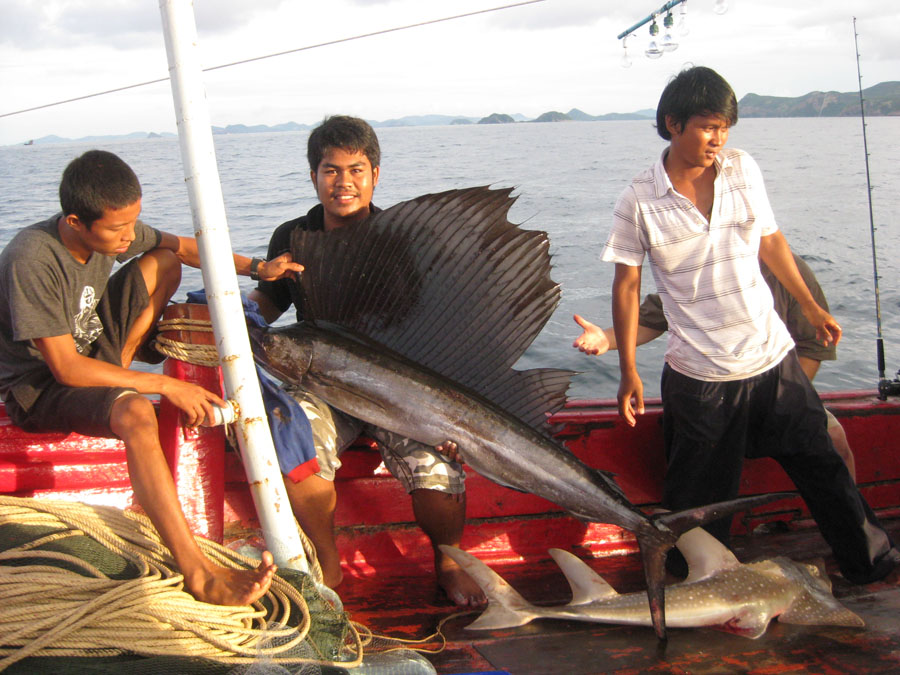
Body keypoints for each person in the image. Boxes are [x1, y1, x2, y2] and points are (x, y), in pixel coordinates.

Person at [589, 65, 899, 584]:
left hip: (773, 358)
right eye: (707, 126)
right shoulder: (638, 200)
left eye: (725, 127)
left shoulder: (742, 168)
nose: (718, 138)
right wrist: (628, 370)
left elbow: (771, 241)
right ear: (672, 123)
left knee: (823, 465)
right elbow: (626, 287)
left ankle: (871, 564)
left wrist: (811, 307)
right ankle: (699, 586)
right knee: (700, 501)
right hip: (700, 377)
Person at [0, 149, 303, 606]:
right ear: (75, 222)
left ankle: (118, 376)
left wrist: (259, 269)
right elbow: (64, 367)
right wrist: (165, 384)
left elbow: (181, 246)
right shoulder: (32, 257)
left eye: (132, 224)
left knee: (163, 259)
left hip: (93, 349)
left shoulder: (113, 231)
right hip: (39, 386)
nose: (127, 238)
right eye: (117, 229)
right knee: (138, 412)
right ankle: (197, 571)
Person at [248, 115, 485, 607]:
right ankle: (329, 565)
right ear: (313, 176)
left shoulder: (401, 240)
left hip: (397, 386)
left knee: (439, 469)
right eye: (331, 171)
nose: (343, 183)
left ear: (376, 173)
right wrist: (228, 312)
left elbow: (438, 325)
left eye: (356, 169)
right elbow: (268, 305)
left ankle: (448, 561)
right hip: (321, 383)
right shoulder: (292, 235)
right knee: (296, 449)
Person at [573, 253, 856, 480]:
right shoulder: (700, 268)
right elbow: (650, 320)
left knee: (835, 440)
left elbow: (814, 347)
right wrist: (606, 339)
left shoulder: (791, 272)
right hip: (714, 398)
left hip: (780, 391)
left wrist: (784, 402)